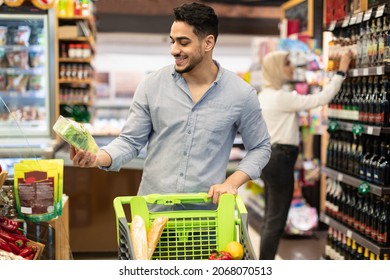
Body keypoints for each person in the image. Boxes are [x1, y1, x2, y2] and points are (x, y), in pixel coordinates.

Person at [70, 2, 271, 205]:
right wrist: (97, 157)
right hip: (153, 210)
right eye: (172, 41)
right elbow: (130, 141)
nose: (174, 50)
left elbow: (260, 147)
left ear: (208, 43)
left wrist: (232, 183)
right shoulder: (152, 85)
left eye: (183, 42)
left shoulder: (241, 94)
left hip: (206, 217)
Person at [257, 49, 352, 259]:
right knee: (276, 220)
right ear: (276, 69)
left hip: (267, 158)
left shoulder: (263, 96)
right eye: (287, 63)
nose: (292, 67)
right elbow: (320, 98)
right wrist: (341, 72)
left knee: (270, 217)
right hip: (280, 159)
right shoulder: (281, 98)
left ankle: (263, 264)